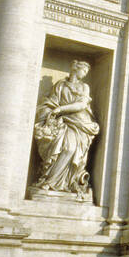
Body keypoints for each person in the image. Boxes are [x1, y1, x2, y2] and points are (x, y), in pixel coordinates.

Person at [33, 60, 100, 194]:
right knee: (60, 148)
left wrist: (60, 109)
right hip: (63, 121)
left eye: (87, 72)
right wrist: (50, 111)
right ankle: (50, 181)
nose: (85, 74)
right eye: (84, 71)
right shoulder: (60, 85)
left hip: (80, 122)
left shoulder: (84, 87)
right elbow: (51, 101)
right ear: (75, 69)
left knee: (70, 149)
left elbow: (81, 105)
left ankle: (59, 182)